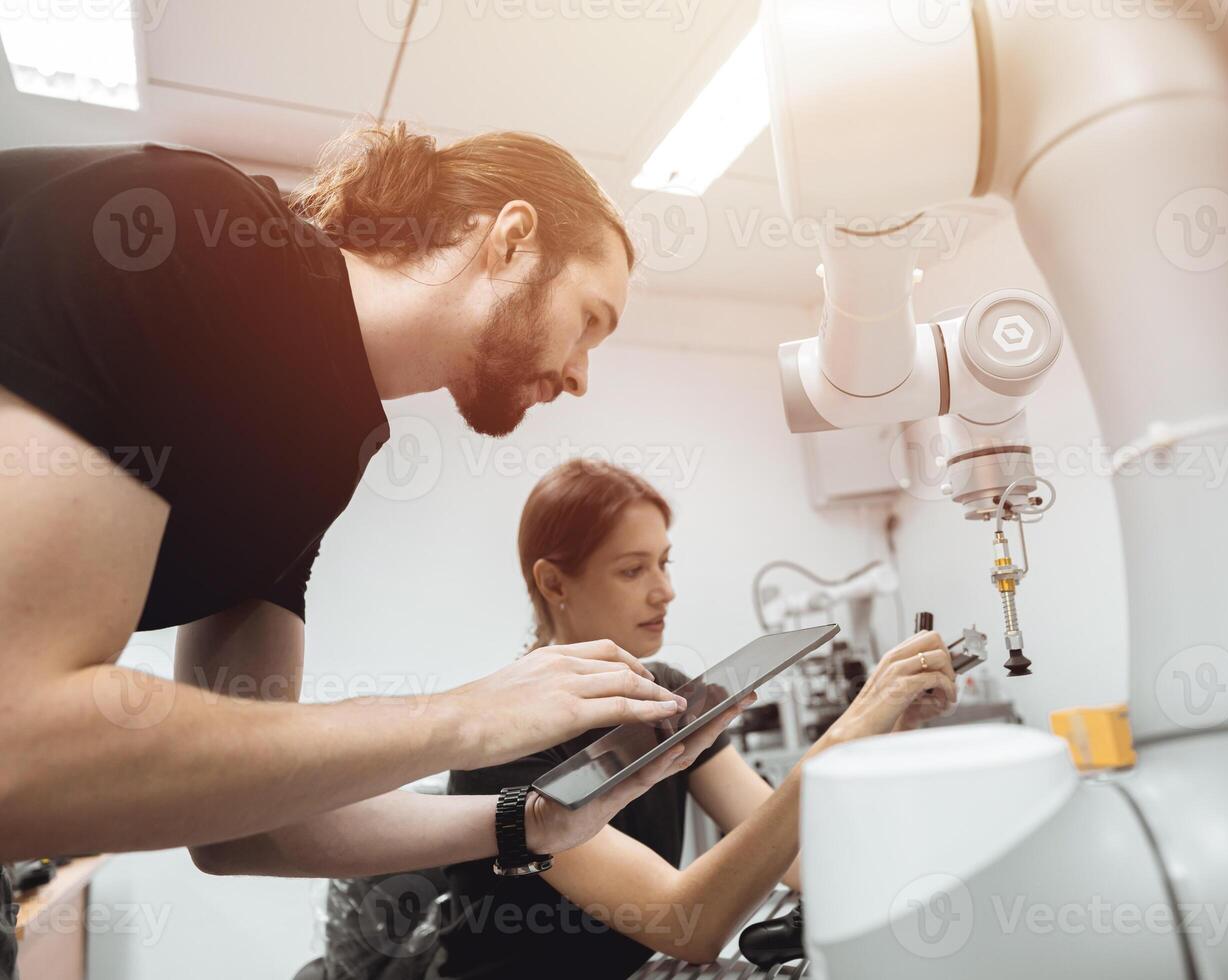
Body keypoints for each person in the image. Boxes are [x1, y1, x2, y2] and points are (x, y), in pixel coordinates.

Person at [0, 125, 740, 975]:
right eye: (588, 322)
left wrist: (525, 821)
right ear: (510, 241)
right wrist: (464, 718)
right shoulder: (195, 237)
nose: (579, 376)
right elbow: (18, 748)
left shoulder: (315, 451)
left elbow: (244, 829)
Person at [437, 460, 954, 978]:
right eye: (633, 569)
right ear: (554, 583)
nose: (665, 590)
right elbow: (687, 925)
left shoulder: (665, 694)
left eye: (665, 562)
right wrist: (848, 728)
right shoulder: (502, 740)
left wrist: (892, 728)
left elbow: (799, 858)